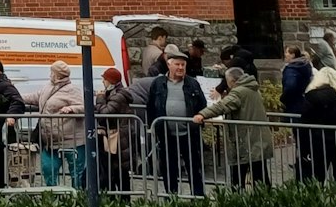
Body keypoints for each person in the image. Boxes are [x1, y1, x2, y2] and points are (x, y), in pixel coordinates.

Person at [195, 65, 270, 188]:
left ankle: (238, 202)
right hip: (257, 139)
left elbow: (222, 106)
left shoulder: (239, 92)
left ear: (232, 81)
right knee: (260, 175)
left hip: (245, 140)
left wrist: (202, 114)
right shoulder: (253, 88)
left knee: (239, 177)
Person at [146, 50, 208, 196]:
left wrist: (199, 121)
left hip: (189, 134)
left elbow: (202, 105)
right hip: (166, 135)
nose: (180, 68)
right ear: (169, 65)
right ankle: (171, 197)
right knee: (169, 168)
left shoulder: (192, 83)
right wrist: (153, 126)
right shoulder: (158, 83)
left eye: (183, 65)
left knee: (194, 168)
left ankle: (198, 198)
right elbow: (150, 106)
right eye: (177, 64)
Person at [296, 65, 336, 182]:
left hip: (316, 143)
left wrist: (303, 150)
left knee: (318, 178)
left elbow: (303, 126)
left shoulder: (309, 98)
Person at [36, 60, 86, 189]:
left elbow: (85, 106)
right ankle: (53, 197)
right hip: (50, 140)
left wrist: (72, 109)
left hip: (72, 140)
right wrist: (16, 96)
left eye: (52, 72)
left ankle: (78, 198)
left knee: (77, 172)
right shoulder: (48, 87)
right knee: (48, 169)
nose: (50, 75)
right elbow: (37, 96)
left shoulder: (72, 90)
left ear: (57, 75)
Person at [95, 67, 137, 191]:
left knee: (120, 171)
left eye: (105, 79)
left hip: (119, 138)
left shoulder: (119, 96)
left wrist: (100, 98)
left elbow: (105, 112)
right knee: (113, 170)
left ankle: (123, 199)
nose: (103, 82)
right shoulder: (114, 94)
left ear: (110, 81)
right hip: (115, 136)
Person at [279, 45, 309, 119]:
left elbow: (290, 86)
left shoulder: (291, 70)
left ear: (293, 55)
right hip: (302, 100)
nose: (285, 54)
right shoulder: (304, 66)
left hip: (292, 103)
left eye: (287, 52)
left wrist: (283, 98)